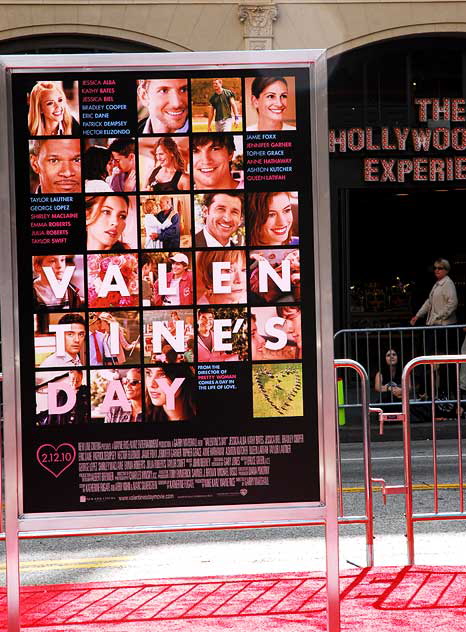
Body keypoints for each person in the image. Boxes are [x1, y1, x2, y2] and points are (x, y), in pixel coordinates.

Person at [410, 259, 458, 328]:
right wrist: (417, 316)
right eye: (435, 268)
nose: (436, 270)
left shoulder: (448, 283)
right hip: (436, 324)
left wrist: (438, 317)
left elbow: (453, 304)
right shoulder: (437, 284)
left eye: (440, 268)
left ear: (446, 270)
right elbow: (429, 302)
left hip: (444, 325)